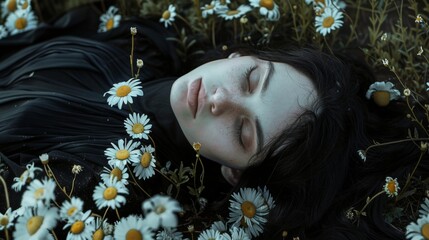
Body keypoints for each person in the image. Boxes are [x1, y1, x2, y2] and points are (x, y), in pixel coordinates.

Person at [0, 4, 427, 240]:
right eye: (251, 78)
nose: (220, 99)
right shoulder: (144, 44)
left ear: (234, 172)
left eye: (244, 132)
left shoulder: (97, 185)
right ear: (241, 56)